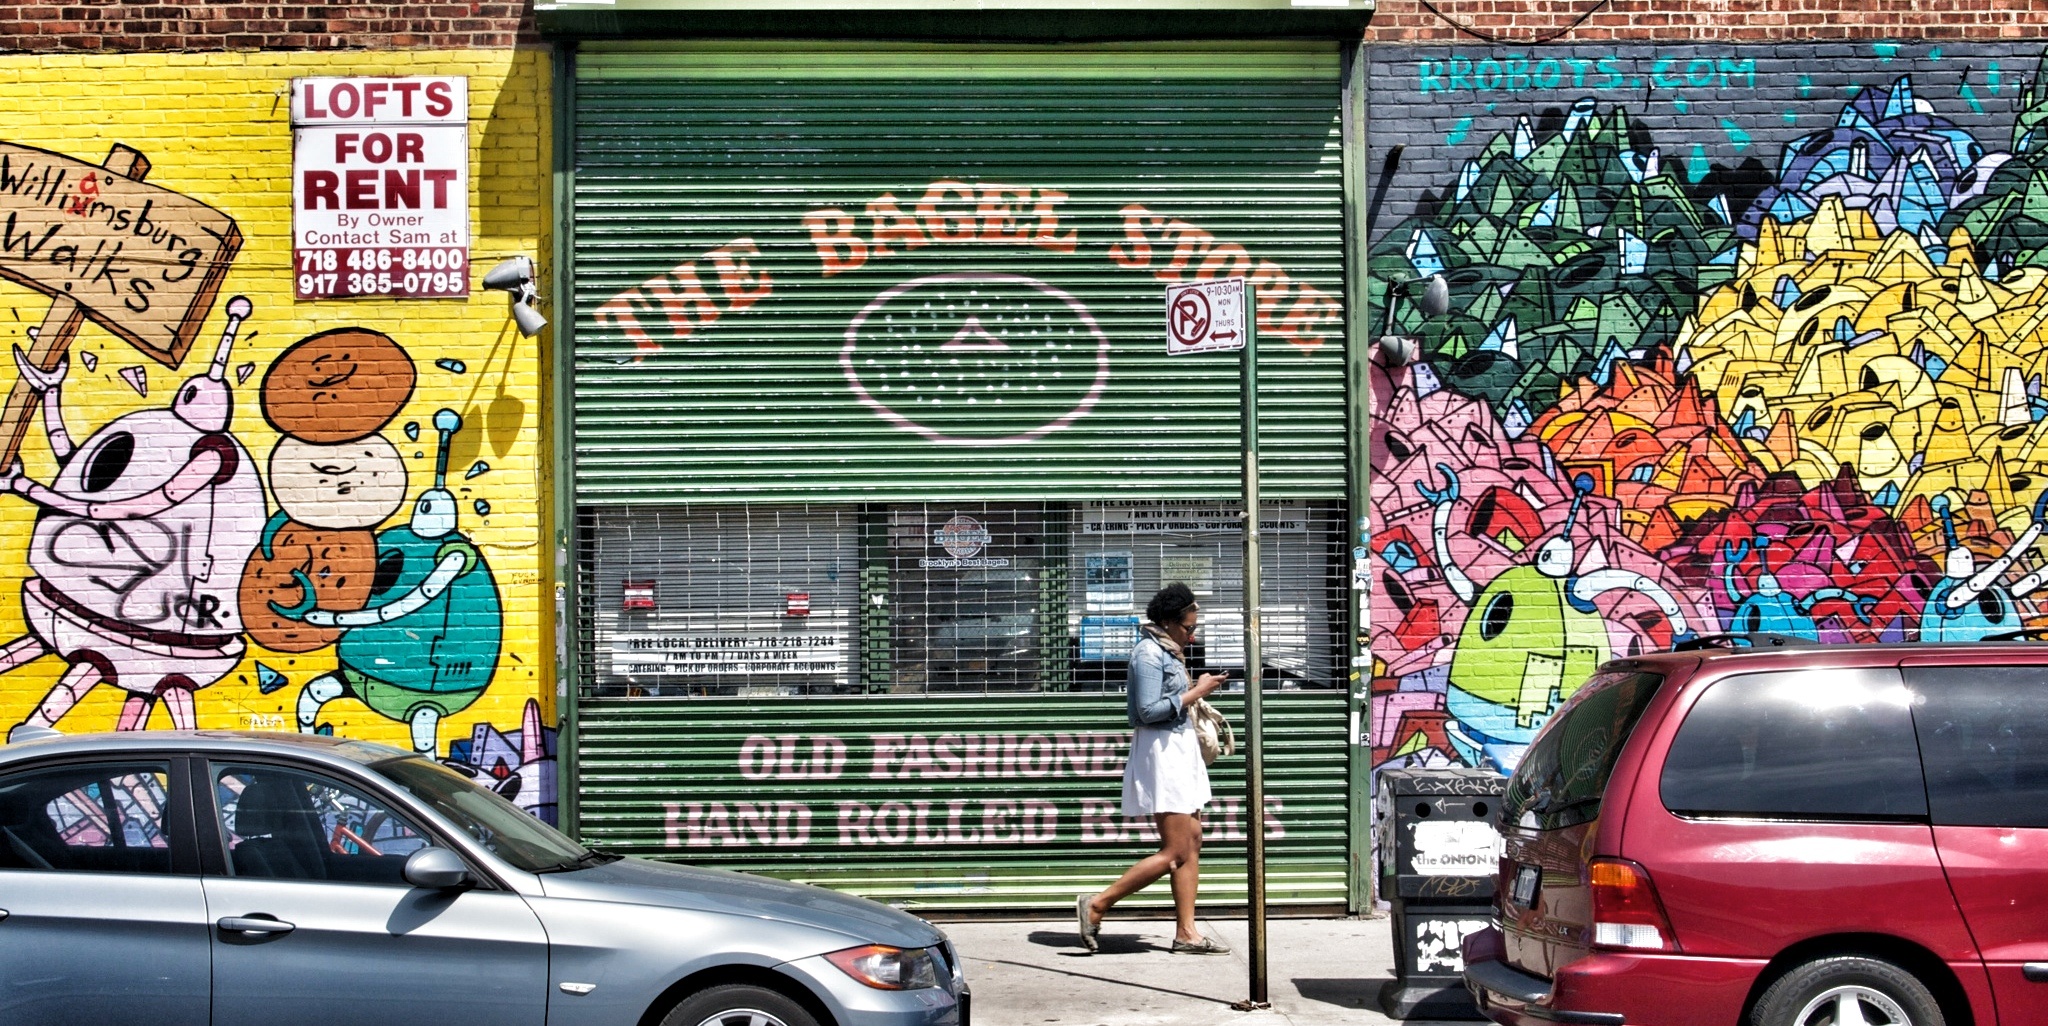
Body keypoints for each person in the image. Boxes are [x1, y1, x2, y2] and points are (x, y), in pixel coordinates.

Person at [1077, 582, 1231, 955]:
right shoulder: (1148, 654)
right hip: (1162, 752)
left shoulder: (1169, 649)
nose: (1193, 636)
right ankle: (1097, 904)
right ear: (1167, 621)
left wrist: (1193, 689)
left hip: (1179, 747)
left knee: (1192, 843)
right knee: (1176, 849)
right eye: (1188, 628)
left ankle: (1187, 933)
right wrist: (1198, 691)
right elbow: (1146, 712)